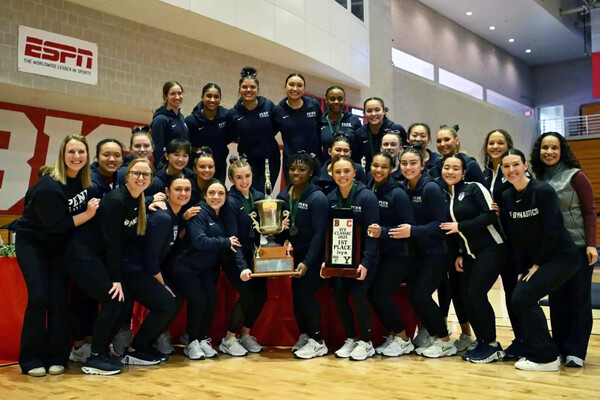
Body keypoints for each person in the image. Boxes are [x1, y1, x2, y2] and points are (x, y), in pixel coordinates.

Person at [65, 158, 157, 375]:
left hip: (98, 257)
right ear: (127, 176)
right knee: (114, 299)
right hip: (82, 255)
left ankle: (102, 350)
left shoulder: (138, 199)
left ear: (151, 179)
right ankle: (95, 357)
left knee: (123, 303)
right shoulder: (117, 200)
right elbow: (111, 242)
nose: (141, 178)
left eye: (146, 175)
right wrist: (115, 278)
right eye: (136, 173)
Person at [16, 134, 97, 377]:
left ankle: (57, 357)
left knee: (60, 301)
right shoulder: (49, 186)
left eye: (81, 152)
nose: (76, 156)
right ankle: (31, 359)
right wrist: (87, 215)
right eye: (71, 152)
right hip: (34, 243)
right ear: (62, 155)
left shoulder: (84, 182)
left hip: (59, 246)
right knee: (39, 298)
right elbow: (56, 226)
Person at [500, 149, 580, 371]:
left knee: (523, 297)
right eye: (506, 166)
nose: (511, 170)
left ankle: (545, 358)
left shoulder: (542, 191)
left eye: (515, 164)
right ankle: (545, 352)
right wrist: (521, 268)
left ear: (525, 165)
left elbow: (552, 230)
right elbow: (516, 238)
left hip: (562, 257)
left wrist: (537, 264)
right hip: (539, 260)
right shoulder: (507, 196)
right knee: (519, 297)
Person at [530, 132, 597, 368]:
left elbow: (589, 211)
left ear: (562, 150)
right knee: (557, 301)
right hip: (552, 250)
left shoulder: (576, 176)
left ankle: (576, 351)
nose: (549, 152)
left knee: (579, 299)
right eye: (545, 147)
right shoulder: (535, 178)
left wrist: (591, 244)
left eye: (554, 148)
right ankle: (559, 346)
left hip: (577, 248)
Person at [439, 155, 507, 364]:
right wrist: (460, 252)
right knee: (467, 298)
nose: (450, 172)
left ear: (463, 172)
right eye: (447, 168)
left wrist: (461, 226)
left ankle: (494, 345)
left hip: (491, 248)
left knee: (476, 294)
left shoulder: (474, 188)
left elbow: (489, 215)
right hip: (469, 254)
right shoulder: (445, 195)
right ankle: (482, 342)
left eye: (455, 168)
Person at [398, 147, 457, 358]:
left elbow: (442, 223)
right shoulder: (403, 187)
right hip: (419, 252)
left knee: (421, 294)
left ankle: (445, 340)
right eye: (404, 163)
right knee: (414, 294)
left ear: (422, 165)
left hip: (439, 251)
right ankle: (434, 335)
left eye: (413, 163)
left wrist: (412, 231)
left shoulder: (430, 188)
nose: (408, 167)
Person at [173, 179, 241, 360]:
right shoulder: (198, 212)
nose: (216, 197)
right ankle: (192, 342)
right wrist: (226, 241)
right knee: (199, 301)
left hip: (208, 268)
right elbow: (199, 241)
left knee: (211, 301)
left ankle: (202, 339)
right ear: (205, 195)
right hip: (187, 267)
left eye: (220, 193)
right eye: (212, 193)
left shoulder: (223, 215)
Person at [69, 138, 124, 364]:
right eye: (106, 155)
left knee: (89, 300)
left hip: (100, 252)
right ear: (97, 157)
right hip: (82, 252)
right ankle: (87, 350)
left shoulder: (117, 180)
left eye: (117, 155)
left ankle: (88, 345)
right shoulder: (89, 183)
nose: (112, 159)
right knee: (108, 299)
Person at [322, 157, 379, 361]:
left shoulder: (367, 197)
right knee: (338, 294)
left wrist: (366, 261)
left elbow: (373, 233)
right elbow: (328, 232)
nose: (342, 176)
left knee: (357, 295)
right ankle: (351, 338)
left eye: (347, 171)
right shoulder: (330, 198)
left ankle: (366, 342)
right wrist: (327, 260)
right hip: (340, 258)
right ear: (332, 174)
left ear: (354, 173)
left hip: (365, 258)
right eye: (338, 172)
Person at [276, 153, 329, 359]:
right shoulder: (283, 196)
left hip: (313, 258)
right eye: (292, 169)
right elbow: (280, 233)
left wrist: (307, 262)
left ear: (311, 172)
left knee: (306, 294)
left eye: (301, 169)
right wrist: (281, 228)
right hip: (293, 256)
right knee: (297, 298)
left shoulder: (317, 197)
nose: (296, 173)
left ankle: (318, 340)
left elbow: (319, 234)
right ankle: (306, 335)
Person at [366, 152, 416, 357]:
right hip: (381, 254)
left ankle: (404, 338)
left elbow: (408, 228)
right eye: (375, 165)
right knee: (372, 293)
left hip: (400, 255)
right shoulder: (371, 187)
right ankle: (394, 334)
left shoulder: (398, 194)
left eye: (384, 167)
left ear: (392, 169)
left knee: (378, 293)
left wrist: (384, 232)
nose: (378, 170)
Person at [218, 157, 268, 356]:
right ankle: (229, 338)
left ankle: (245, 334)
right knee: (247, 294)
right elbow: (233, 239)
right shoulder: (230, 202)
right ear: (231, 179)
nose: (244, 181)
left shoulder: (259, 196)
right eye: (239, 177)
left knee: (262, 295)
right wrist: (242, 266)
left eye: (247, 176)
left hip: (255, 257)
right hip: (233, 257)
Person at [480, 128, 522, 359]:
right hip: (493, 244)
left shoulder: (515, 172)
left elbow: (522, 203)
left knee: (515, 294)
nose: (495, 147)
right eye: (491, 143)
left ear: (508, 145)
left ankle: (523, 339)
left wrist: (501, 211)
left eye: (500, 143)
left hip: (515, 242)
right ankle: (495, 341)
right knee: (504, 292)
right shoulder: (485, 174)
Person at [226, 66, 280, 191]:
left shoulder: (269, 106)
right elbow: (231, 135)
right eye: (245, 87)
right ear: (239, 89)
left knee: (265, 193)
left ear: (258, 90)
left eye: (252, 87)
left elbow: (275, 127)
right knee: (249, 192)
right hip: (247, 162)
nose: (248, 90)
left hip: (270, 160)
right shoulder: (233, 113)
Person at [273, 72, 322, 185]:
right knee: (294, 199)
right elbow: (268, 135)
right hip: (291, 164)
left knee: (315, 198)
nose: (295, 88)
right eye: (291, 84)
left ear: (304, 88)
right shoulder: (278, 110)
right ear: (285, 86)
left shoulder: (314, 105)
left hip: (314, 163)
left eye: (299, 85)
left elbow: (322, 130)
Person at [185, 83, 229, 181]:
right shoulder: (191, 121)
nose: (212, 100)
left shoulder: (226, 116)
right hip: (196, 169)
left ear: (220, 99)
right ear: (202, 97)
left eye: (216, 97)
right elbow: (187, 147)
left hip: (219, 168)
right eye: (209, 96)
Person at [355, 97, 407, 170]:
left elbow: (408, 152)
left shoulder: (397, 129)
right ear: (364, 113)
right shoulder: (359, 133)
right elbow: (356, 159)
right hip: (371, 175)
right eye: (369, 111)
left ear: (384, 111)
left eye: (377, 110)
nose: (373, 114)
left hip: (395, 174)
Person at [151, 81, 189, 167]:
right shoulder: (160, 119)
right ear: (165, 96)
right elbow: (158, 150)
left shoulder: (181, 117)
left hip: (181, 166)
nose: (177, 97)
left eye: (179, 93)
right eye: (173, 94)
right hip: (167, 169)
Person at [318, 86, 362, 162]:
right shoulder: (319, 121)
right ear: (326, 100)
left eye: (340, 99)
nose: (336, 102)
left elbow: (360, 147)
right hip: (326, 168)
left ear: (344, 101)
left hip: (349, 168)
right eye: (332, 99)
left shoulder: (353, 120)